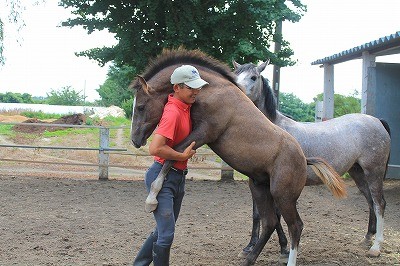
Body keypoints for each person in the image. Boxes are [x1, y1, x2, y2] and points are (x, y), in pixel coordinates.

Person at [133, 65, 209, 266]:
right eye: (191, 88)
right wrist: (181, 155)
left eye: (197, 87)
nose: (196, 92)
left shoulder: (186, 107)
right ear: (176, 88)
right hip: (162, 177)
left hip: (177, 177)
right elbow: (155, 148)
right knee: (166, 235)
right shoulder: (173, 112)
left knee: (162, 231)